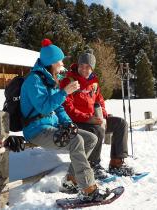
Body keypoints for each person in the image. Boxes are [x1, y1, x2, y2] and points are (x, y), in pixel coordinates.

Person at [20, 39, 106, 201]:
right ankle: (88, 189)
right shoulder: (34, 81)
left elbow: (58, 107)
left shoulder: (50, 79)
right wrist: (64, 92)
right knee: (76, 141)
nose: (62, 63)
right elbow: (44, 108)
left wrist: (68, 124)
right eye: (59, 60)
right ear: (51, 62)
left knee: (90, 138)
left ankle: (71, 181)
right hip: (37, 130)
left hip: (52, 126)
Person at [59, 49, 134, 182]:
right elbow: (68, 108)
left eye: (88, 66)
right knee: (97, 129)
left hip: (93, 119)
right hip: (76, 121)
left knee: (120, 123)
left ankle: (116, 162)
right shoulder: (69, 81)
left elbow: (100, 102)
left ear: (92, 68)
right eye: (82, 65)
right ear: (78, 65)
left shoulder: (94, 84)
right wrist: (88, 118)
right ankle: (93, 164)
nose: (84, 69)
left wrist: (103, 116)